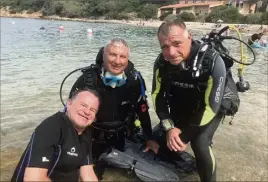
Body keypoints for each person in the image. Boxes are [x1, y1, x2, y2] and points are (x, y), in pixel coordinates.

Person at [69, 38, 159, 175]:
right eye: (112, 55)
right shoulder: (88, 80)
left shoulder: (135, 80)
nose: (117, 61)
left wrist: (149, 138)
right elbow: (69, 113)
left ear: (127, 58)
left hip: (122, 135)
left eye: (122, 56)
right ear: (103, 55)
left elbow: (142, 110)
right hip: (92, 138)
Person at [151, 18, 226, 182]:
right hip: (184, 102)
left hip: (211, 106)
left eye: (177, 43)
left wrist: (184, 138)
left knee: (200, 143)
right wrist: (170, 128)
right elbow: (157, 97)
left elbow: (211, 107)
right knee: (158, 137)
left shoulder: (211, 61)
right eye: (164, 46)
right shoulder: (162, 63)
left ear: (189, 38)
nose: (171, 52)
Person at [11, 89, 100, 182]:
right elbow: (34, 178)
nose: (87, 112)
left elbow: (87, 173)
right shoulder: (51, 127)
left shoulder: (86, 132)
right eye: (83, 105)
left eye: (92, 110)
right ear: (69, 103)